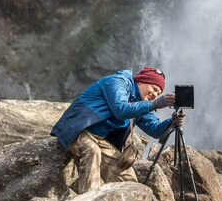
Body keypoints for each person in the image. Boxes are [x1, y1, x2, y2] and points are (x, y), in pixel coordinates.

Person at [51, 67, 183, 193]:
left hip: (100, 139)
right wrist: (155, 104)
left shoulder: (142, 102)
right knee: (92, 151)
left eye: (159, 93)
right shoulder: (118, 82)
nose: (155, 94)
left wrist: (172, 122)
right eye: (154, 88)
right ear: (141, 81)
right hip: (78, 128)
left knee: (125, 176)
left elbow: (155, 130)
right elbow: (121, 110)